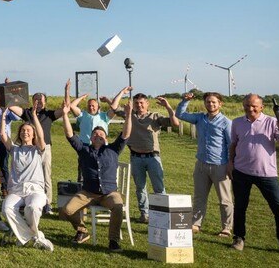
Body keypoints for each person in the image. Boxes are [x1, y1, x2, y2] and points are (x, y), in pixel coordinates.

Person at [59, 89, 134, 252]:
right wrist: (65, 114)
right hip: (87, 193)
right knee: (66, 210)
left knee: (118, 206)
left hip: (109, 193)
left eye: (101, 134)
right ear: (91, 138)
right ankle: (82, 229)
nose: (98, 135)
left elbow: (126, 134)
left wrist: (128, 116)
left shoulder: (114, 149)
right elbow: (70, 134)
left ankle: (113, 240)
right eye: (95, 134)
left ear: (106, 137)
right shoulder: (84, 150)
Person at [229, 94, 279, 257]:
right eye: (247, 105)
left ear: (262, 107)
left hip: (267, 174)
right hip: (241, 172)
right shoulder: (237, 122)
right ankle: (238, 239)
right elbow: (233, 144)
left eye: (254, 106)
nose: (250, 108)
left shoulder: (272, 122)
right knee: (240, 207)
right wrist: (230, 163)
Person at [111, 93, 179, 223]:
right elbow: (114, 106)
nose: (139, 105)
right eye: (136, 103)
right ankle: (144, 214)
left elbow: (175, 123)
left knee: (159, 187)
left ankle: (162, 214)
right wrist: (123, 92)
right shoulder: (129, 115)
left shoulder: (155, 116)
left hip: (153, 157)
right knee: (140, 188)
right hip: (136, 157)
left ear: (147, 103)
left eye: (142, 103)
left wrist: (168, 107)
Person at [176, 91, 234, 236]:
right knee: (199, 197)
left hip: (220, 166)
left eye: (214, 102)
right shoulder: (200, 118)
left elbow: (231, 144)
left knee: (224, 199)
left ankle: (227, 227)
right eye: (208, 102)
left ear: (220, 104)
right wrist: (185, 101)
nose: (211, 104)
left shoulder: (226, 122)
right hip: (201, 164)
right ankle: (196, 224)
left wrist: (230, 164)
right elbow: (180, 115)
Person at [9, 83, 67, 216]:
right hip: (29, 149)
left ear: (45, 102)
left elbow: (64, 110)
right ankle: (26, 199)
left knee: (46, 175)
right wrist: (9, 88)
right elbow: (11, 106)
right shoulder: (27, 112)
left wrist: (66, 91)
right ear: (32, 101)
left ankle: (47, 203)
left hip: (44, 147)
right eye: (36, 99)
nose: (38, 102)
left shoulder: (49, 114)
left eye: (41, 100)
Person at [0, 119, 53, 251]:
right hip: (17, 190)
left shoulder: (38, 149)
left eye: (28, 130)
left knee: (33, 207)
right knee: (6, 208)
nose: (25, 132)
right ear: (19, 133)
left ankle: (26, 236)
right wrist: (3, 116)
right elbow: (2, 135)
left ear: (33, 134)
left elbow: (41, 136)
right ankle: (35, 236)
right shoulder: (14, 149)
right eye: (23, 130)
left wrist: (34, 116)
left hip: (35, 189)